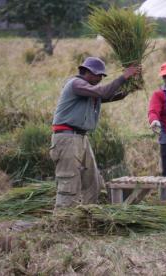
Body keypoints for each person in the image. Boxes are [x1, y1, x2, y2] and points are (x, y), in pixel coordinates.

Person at [50, 57, 141, 209]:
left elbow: (112, 95)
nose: (100, 78)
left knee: (93, 182)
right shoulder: (77, 84)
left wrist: (132, 86)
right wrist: (124, 76)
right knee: (69, 182)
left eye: (102, 76)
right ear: (86, 72)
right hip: (66, 138)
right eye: (98, 75)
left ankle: (87, 217)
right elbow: (105, 92)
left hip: (80, 138)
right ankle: (63, 221)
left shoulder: (90, 92)